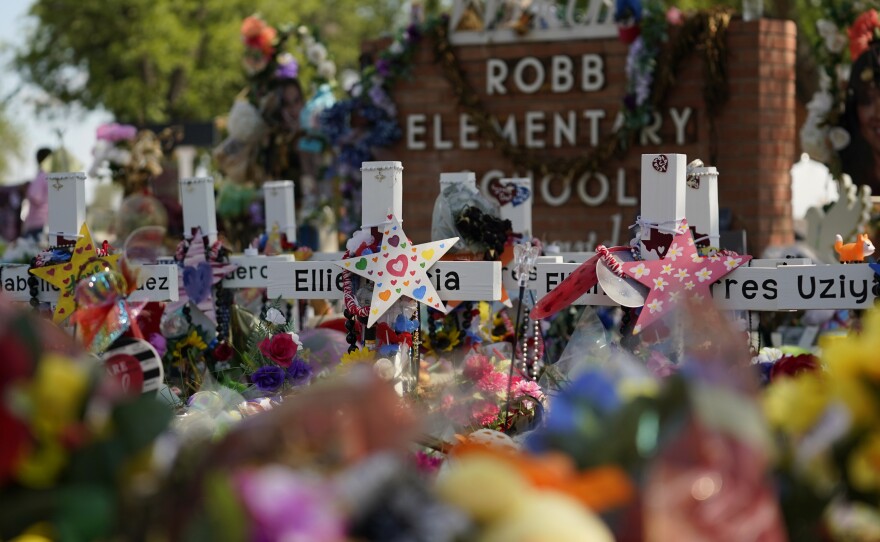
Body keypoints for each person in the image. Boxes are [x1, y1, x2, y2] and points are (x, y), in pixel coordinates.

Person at [22, 148, 52, 239]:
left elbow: (33, 195)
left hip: (38, 223)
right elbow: (35, 196)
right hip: (39, 224)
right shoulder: (43, 176)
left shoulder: (41, 176)